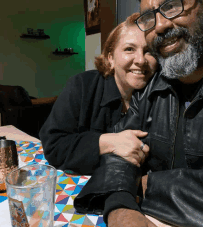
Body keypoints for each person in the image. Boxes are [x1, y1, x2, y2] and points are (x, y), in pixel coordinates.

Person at [74, 0, 203, 227]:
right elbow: (121, 152)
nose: (161, 25)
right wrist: (120, 209)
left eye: (173, 6)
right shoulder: (153, 85)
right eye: (149, 18)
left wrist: (148, 184)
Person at [39, 12, 157, 175]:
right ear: (111, 58)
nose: (141, 60)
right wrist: (110, 142)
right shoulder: (81, 86)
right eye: (129, 49)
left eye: (149, 51)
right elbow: (54, 147)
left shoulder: (161, 95)